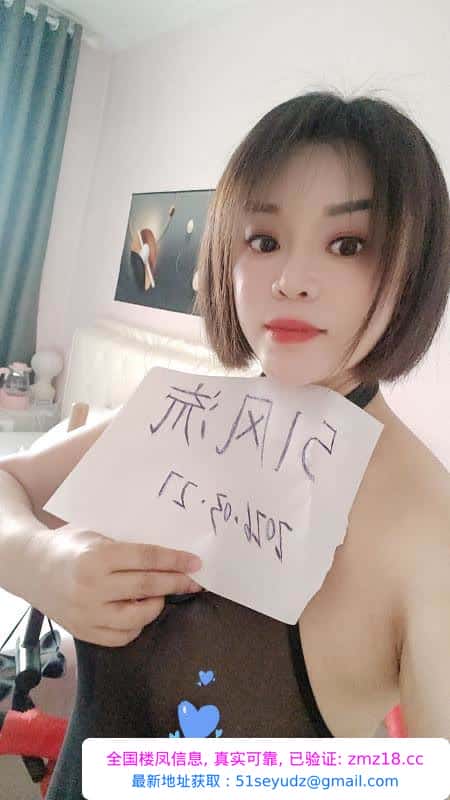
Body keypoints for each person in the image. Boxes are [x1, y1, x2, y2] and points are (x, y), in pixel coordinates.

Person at [0, 90, 449, 798]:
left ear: (414, 266)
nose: (290, 282)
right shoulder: (173, 414)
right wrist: (38, 561)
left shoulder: (429, 528)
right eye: (264, 241)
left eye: (348, 244)